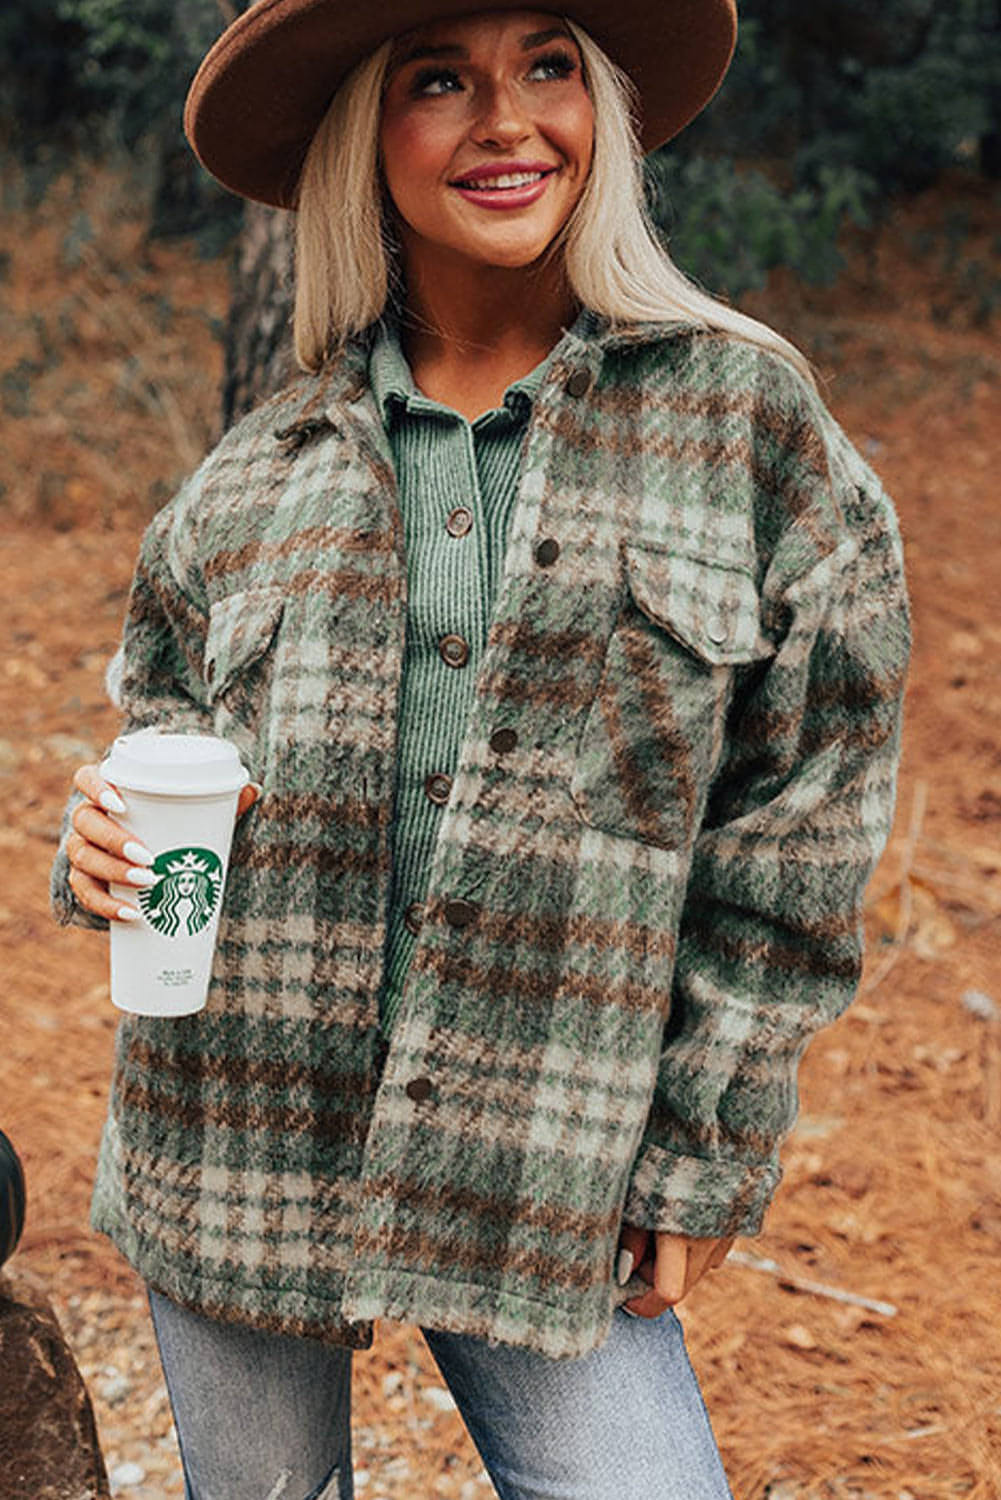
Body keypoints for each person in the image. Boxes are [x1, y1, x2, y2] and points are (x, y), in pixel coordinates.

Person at [50, 0, 910, 1494]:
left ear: (603, 112)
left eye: (547, 66)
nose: (506, 120)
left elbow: (804, 824)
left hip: (545, 1152)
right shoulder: (251, 479)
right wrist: (96, 850)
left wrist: (702, 1144)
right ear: (362, 141)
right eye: (438, 79)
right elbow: (166, 751)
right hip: (235, 1130)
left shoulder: (745, 427)